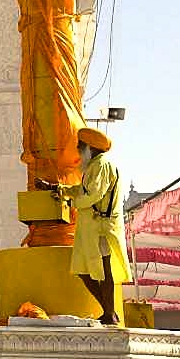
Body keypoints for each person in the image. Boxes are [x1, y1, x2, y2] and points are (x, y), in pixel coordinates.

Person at [42, 126, 133, 325]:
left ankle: (110, 314)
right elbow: (81, 190)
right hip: (90, 230)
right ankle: (109, 311)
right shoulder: (93, 166)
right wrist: (58, 189)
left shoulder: (101, 165)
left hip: (102, 229)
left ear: (89, 148)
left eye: (79, 146)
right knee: (83, 271)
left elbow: (92, 195)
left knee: (104, 271)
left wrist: (72, 203)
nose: (77, 149)